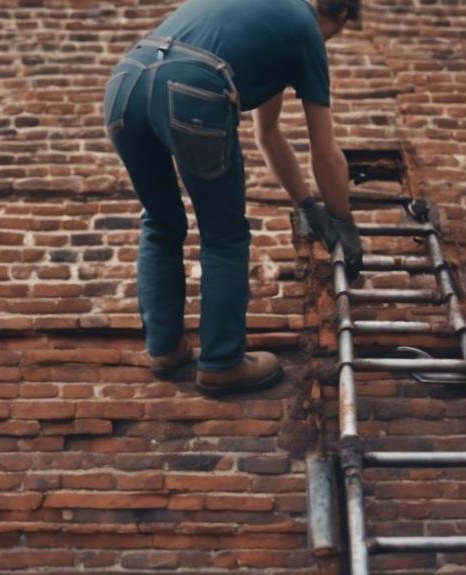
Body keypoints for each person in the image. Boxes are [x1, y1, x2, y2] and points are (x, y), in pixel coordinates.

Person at [102, 0, 363, 397]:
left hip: (125, 83)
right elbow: (324, 151)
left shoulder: (264, 18)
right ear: (342, 15)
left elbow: (268, 134)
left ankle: (165, 350)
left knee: (160, 221)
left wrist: (308, 205)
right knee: (224, 235)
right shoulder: (307, 29)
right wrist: (343, 222)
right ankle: (222, 363)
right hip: (192, 88)